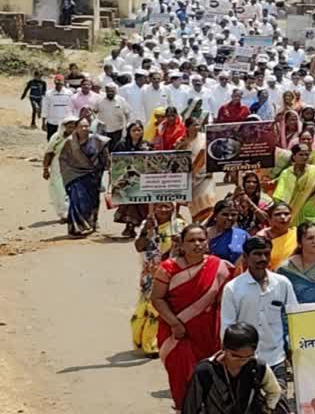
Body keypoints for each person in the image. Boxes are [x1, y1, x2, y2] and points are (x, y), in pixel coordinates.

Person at [151, 224, 234, 412]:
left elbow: (225, 300)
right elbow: (156, 298)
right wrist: (175, 323)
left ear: (207, 242)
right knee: (183, 377)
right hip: (177, 333)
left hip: (208, 332)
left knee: (211, 376)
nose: (197, 244)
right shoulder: (168, 268)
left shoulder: (219, 267)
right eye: (191, 240)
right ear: (182, 244)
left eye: (201, 240)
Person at [220, 236, 298, 405]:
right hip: (244, 361)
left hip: (276, 357)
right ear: (246, 257)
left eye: (266, 254)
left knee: (278, 403)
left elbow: (294, 317)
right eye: (256, 254)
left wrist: (294, 348)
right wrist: (231, 358)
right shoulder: (233, 288)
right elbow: (227, 326)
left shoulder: (282, 283)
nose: (262, 259)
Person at [181, 323, 283, 414]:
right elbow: (191, 407)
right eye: (235, 356)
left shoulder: (258, 367)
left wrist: (268, 409)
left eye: (247, 357)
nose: (241, 361)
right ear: (224, 348)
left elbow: (275, 391)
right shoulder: (205, 371)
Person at [132, 202, 185, 356]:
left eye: (167, 206)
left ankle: (152, 344)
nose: (163, 209)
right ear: (153, 208)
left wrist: (179, 242)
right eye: (159, 206)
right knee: (144, 308)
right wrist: (145, 231)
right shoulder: (146, 224)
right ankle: (141, 339)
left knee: (159, 308)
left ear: (173, 208)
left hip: (171, 273)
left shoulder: (180, 225)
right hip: (150, 274)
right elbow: (139, 246)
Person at [58, 117, 110, 238]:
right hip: (75, 176)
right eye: (81, 126)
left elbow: (105, 156)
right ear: (76, 128)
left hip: (93, 176)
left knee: (92, 201)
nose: (84, 128)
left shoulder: (97, 140)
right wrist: (68, 174)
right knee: (77, 200)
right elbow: (63, 159)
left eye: (87, 126)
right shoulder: (70, 142)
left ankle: (91, 224)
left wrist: (103, 167)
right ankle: (75, 228)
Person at [273, 143, 315, 226]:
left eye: (307, 154)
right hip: (292, 212)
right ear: (294, 156)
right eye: (301, 154)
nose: (304, 157)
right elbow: (280, 196)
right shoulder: (286, 173)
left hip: (312, 212)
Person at [113, 121, 152, 237]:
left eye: (139, 130)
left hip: (142, 180)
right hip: (126, 180)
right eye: (134, 130)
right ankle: (130, 226)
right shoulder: (121, 144)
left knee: (140, 203)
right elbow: (115, 162)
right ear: (129, 132)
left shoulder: (146, 145)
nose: (136, 133)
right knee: (130, 202)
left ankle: (134, 226)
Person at [175, 117, 217, 222]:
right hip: (191, 178)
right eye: (194, 125)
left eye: (198, 124)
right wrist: (181, 145)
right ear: (187, 127)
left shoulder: (205, 138)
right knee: (195, 204)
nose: (196, 127)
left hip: (205, 175)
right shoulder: (182, 140)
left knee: (207, 198)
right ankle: (197, 225)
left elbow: (207, 152)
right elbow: (177, 157)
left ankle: (208, 223)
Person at [42, 115, 78, 222]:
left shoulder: (80, 138)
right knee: (58, 189)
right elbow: (49, 153)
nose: (71, 129)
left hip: (75, 166)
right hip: (57, 165)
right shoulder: (57, 138)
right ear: (64, 126)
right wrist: (45, 169)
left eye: (73, 126)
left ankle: (74, 213)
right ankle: (64, 213)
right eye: (69, 126)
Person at [206, 199, 249, 265]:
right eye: (225, 214)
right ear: (215, 216)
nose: (230, 218)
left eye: (233, 214)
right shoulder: (204, 235)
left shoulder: (242, 234)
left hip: (238, 273)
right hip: (213, 273)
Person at [256, 202, 298, 270]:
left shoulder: (297, 234)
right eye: (278, 214)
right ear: (269, 218)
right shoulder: (261, 238)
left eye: (286, 214)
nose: (283, 217)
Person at [94, 83, 132, 151]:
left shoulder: (121, 100)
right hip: (103, 131)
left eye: (112, 91)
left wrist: (127, 124)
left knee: (116, 150)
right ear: (106, 91)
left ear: (116, 91)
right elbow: (94, 112)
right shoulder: (99, 100)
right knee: (103, 150)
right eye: (109, 91)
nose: (110, 93)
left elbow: (127, 114)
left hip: (117, 131)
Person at [42, 74, 74, 140]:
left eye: (61, 81)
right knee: (51, 140)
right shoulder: (48, 93)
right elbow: (45, 108)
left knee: (64, 141)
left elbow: (72, 108)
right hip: (52, 122)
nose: (59, 83)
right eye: (57, 81)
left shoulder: (69, 93)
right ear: (54, 82)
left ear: (63, 82)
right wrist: (43, 122)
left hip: (65, 122)